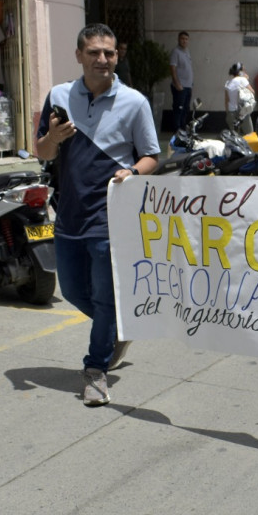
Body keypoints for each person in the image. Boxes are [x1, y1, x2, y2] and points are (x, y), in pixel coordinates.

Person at [36, 23, 160, 406]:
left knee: (104, 297)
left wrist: (133, 171)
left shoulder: (134, 102)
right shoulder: (58, 95)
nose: (102, 59)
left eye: (108, 53)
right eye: (94, 52)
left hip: (111, 218)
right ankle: (117, 331)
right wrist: (53, 139)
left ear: (116, 57)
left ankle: (95, 370)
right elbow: (41, 151)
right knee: (73, 290)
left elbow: (153, 156)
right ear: (79, 56)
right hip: (69, 215)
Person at [169, 31, 193, 130]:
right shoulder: (175, 52)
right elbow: (172, 68)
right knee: (178, 109)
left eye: (186, 39)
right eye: (182, 39)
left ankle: (183, 129)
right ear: (179, 39)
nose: (184, 41)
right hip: (180, 86)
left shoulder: (187, 51)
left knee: (186, 109)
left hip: (188, 86)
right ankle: (177, 130)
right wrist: (177, 83)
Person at [224, 62, 255, 134]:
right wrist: (246, 79)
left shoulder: (228, 83)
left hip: (231, 112)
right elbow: (252, 92)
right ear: (240, 72)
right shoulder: (243, 80)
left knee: (235, 136)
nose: (245, 72)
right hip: (243, 112)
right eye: (244, 70)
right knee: (249, 135)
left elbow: (226, 100)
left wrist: (228, 113)